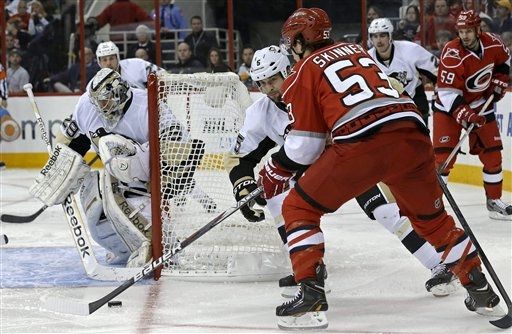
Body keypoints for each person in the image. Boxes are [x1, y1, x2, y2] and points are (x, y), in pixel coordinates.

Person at [258, 8, 502, 329]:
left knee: (297, 206)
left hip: (363, 143)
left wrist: (275, 170)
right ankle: (477, 285)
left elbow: (306, 144)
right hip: (412, 134)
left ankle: (311, 298)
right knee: (433, 221)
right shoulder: (361, 52)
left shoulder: (304, 70)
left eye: (293, 40)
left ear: (304, 38)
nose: (292, 46)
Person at [227, 45, 458, 299]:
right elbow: (242, 158)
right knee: (278, 197)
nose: (269, 89)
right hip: (311, 168)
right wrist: (243, 185)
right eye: (262, 84)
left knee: (382, 209)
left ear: (287, 70)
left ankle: (438, 262)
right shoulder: (261, 113)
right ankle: (309, 272)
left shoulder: (314, 88)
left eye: (273, 80)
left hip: (349, 158)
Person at [28, 68, 214, 267]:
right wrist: (61, 166)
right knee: (95, 210)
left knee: (110, 159)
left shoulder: (148, 106)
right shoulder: (87, 105)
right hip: (117, 174)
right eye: (97, 102)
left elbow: (181, 150)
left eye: (104, 101)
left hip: (148, 176)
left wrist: (168, 180)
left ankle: (155, 243)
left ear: (117, 94)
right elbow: (73, 140)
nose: (99, 107)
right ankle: (124, 250)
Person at [433, 10, 511, 221]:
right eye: (461, 31)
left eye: (468, 31)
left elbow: (505, 62)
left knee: (493, 155)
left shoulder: (493, 43)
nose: (465, 35)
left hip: (480, 104)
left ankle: (494, 201)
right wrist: (465, 114)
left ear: (478, 29)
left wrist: (501, 78)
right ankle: (431, 206)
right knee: (442, 160)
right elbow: (447, 94)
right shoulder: (452, 53)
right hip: (448, 109)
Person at [368, 18, 438, 125]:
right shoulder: (367, 59)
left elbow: (438, 72)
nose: (379, 41)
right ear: (371, 38)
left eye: (382, 35)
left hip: (415, 101)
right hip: (386, 109)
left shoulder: (410, 50)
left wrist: (440, 95)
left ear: (390, 36)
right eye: (375, 36)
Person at [95, 41, 163, 89]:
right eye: (104, 60)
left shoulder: (137, 64)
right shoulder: (95, 85)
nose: (108, 63)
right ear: (99, 62)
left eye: (111, 58)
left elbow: (163, 75)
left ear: (117, 58)